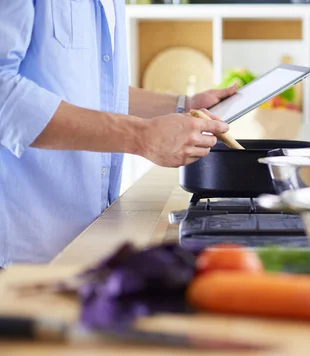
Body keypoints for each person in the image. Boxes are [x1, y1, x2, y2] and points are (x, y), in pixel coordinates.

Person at [0, 1, 235, 267]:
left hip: (85, 241)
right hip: (18, 251)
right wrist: (140, 136)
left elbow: (94, 91)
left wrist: (184, 106)